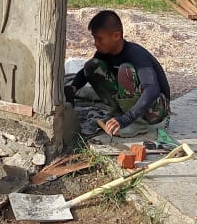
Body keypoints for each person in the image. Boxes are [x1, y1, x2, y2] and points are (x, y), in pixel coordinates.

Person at [64, 10, 171, 138]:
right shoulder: (105, 53)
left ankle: (139, 123)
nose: (96, 43)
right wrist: (73, 87)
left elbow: (152, 89)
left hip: (155, 109)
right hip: (132, 107)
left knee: (125, 70)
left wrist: (127, 118)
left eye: (100, 39)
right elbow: (85, 72)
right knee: (92, 65)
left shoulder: (135, 54)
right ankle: (117, 113)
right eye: (94, 38)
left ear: (116, 36)